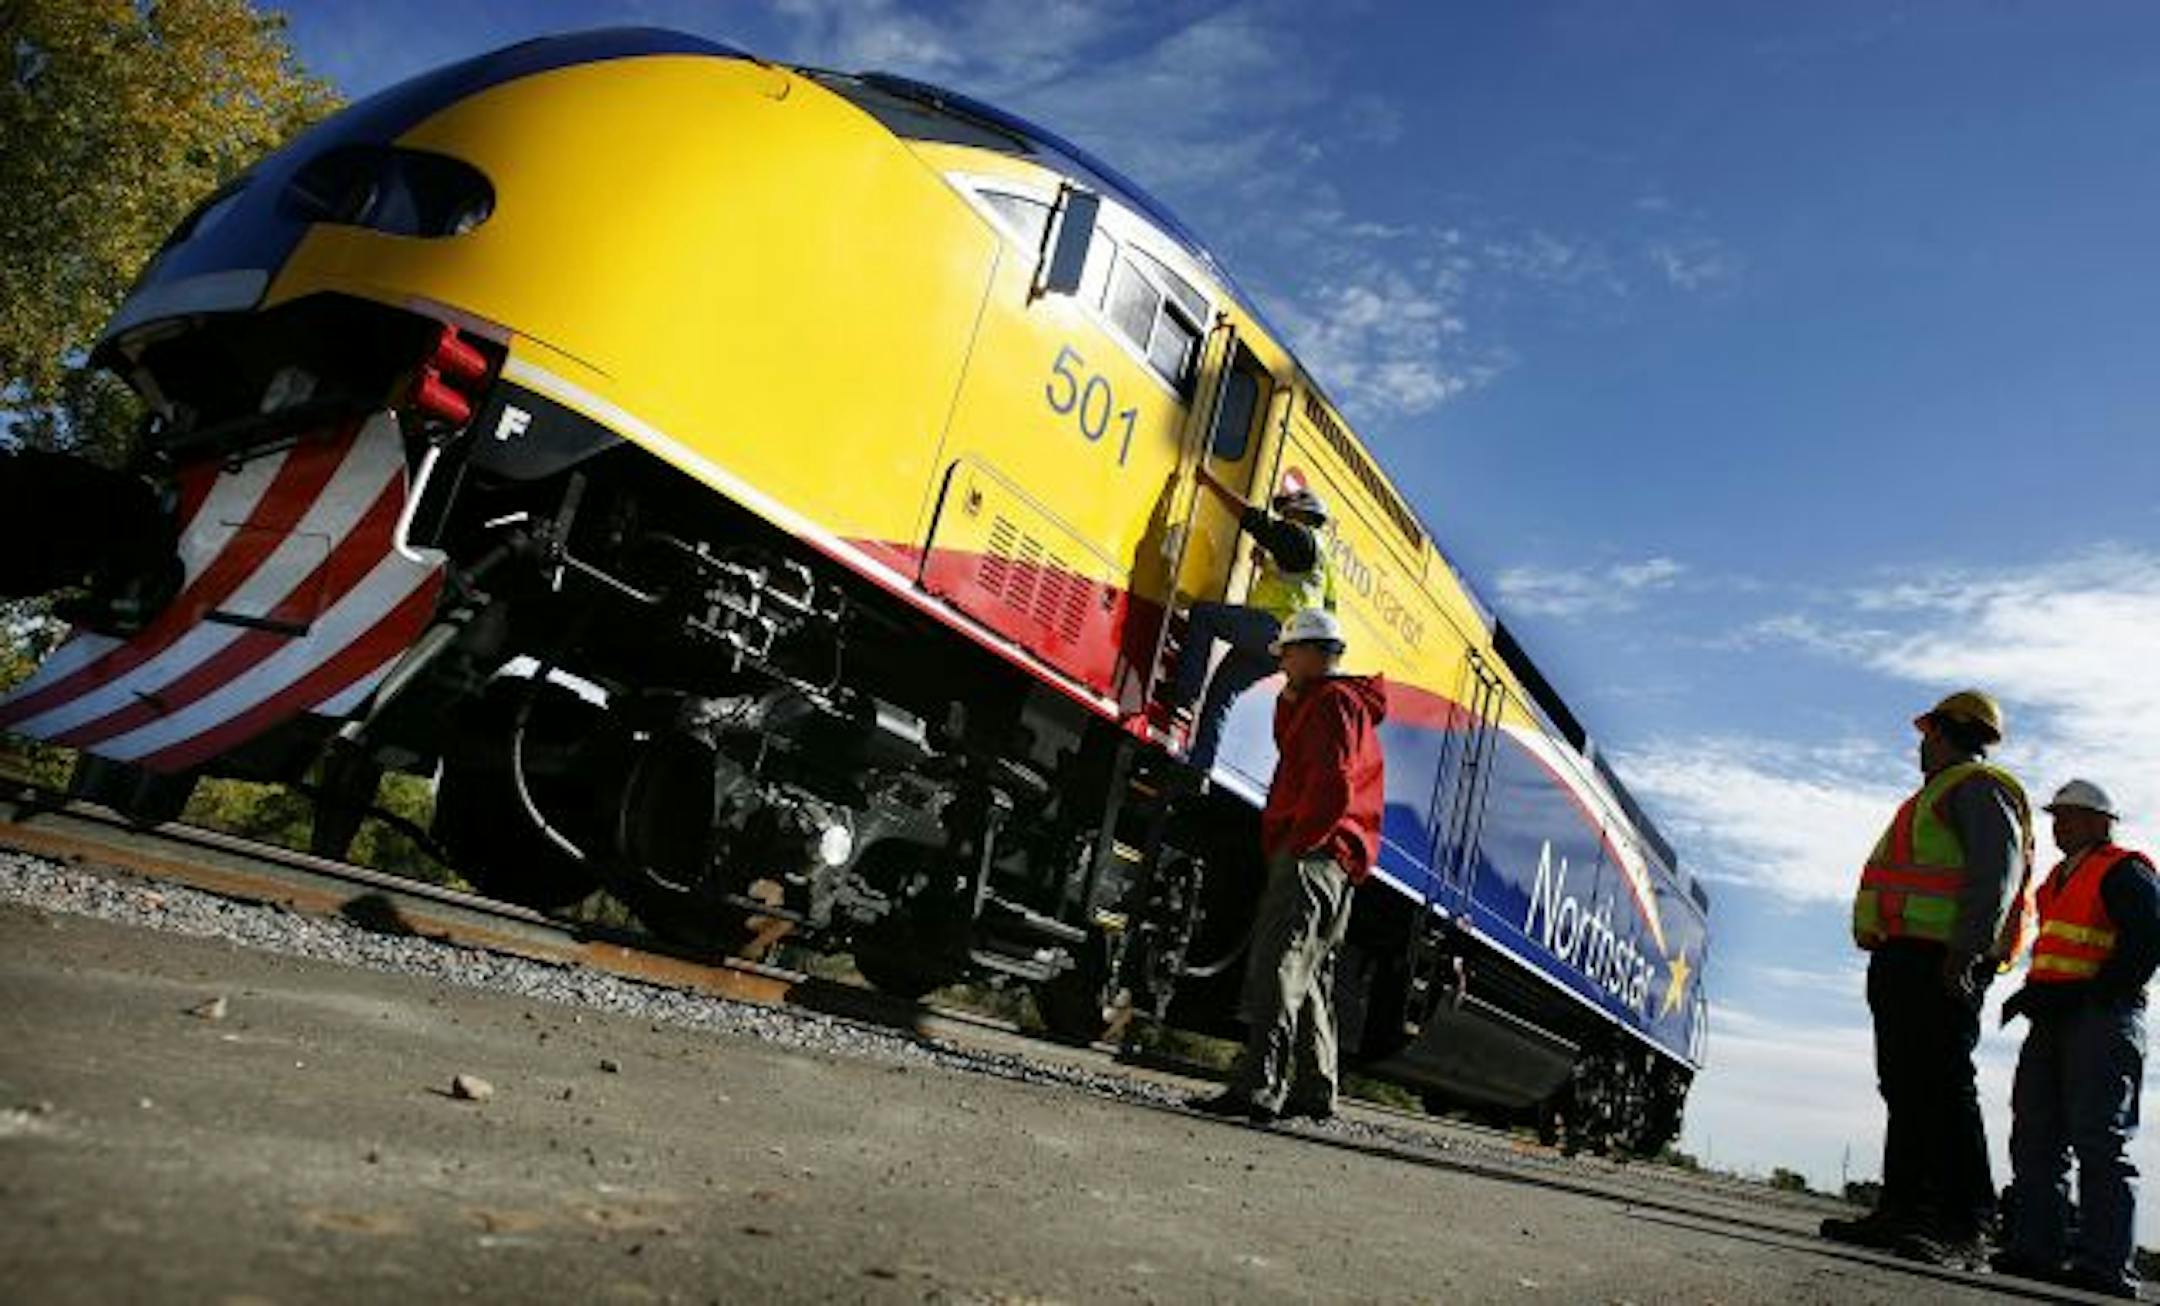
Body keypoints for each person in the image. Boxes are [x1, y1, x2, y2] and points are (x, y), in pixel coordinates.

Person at [1822, 689, 2034, 1267]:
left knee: (1942, 1085)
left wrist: (1964, 954)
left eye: (1927, 735)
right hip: (1907, 957)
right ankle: (1904, 1211)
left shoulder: (1978, 788)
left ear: (1945, 733)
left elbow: (1995, 877)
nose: (1921, 746)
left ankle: (1965, 1225)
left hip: (1941, 959)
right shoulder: (1940, 794)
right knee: (1906, 1086)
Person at [1188, 608, 1386, 1123]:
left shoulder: (1332, 703)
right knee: (1311, 973)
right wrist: (1290, 700)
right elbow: (1296, 753)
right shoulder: (1331, 703)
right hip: (1337, 859)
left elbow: (1332, 782)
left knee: (1279, 963)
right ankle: (1317, 1087)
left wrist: (1299, 843)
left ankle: (1260, 1085)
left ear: (1315, 653)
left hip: (1314, 854)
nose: (1281, 663)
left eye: (1289, 653)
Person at [1992, 780, 2159, 1299]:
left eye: (2070, 816)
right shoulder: (2058, 879)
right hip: (2056, 1017)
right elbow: (2061, 949)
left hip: (2101, 1018)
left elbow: (2148, 940)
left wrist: (2096, 993)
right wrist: (2035, 995)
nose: (2059, 825)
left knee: (2099, 1139)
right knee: (2036, 1134)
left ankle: (2104, 1265)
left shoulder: (2124, 870)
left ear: (2101, 822)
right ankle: (2035, 1250)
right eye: (2056, 816)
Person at [1160, 471, 1335, 774]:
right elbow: (1310, 591)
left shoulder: (1299, 536)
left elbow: (1254, 520)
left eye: (1287, 512)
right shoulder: (1320, 557)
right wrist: (1266, 562)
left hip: (1273, 627)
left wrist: (1210, 482)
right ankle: (1199, 768)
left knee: (1204, 615)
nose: (1283, 518)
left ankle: (1184, 696)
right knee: (1221, 695)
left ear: (1302, 513)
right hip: (1284, 650)